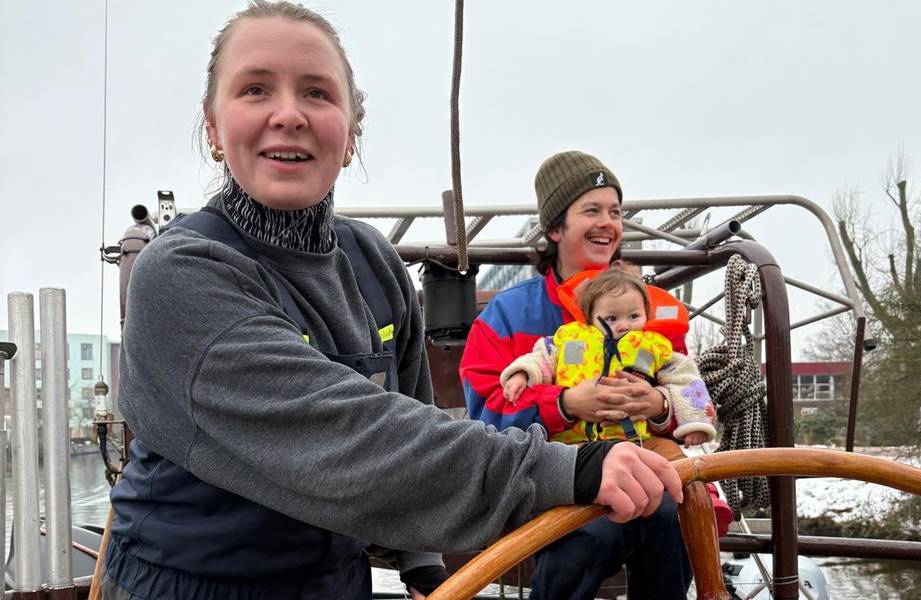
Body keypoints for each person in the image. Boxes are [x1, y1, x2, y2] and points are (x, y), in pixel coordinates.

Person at [101, 3, 684, 600]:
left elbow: (412, 418)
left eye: (318, 94)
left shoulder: (372, 260)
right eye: (254, 89)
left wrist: (423, 568)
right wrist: (571, 463)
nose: (288, 115)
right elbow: (347, 435)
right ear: (213, 128)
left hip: (336, 580)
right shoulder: (180, 273)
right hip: (192, 585)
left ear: (351, 133)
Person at [461, 150, 725, 599]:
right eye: (592, 210)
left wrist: (660, 408)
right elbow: (487, 415)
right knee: (590, 534)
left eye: (616, 212)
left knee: (670, 510)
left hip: (644, 461)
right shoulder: (507, 314)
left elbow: (688, 392)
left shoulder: (648, 315)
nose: (608, 222)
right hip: (553, 475)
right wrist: (565, 404)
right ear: (554, 228)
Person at [500, 263, 718, 448]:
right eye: (611, 319)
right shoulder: (569, 339)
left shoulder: (654, 346)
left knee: (677, 467)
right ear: (591, 317)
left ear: (646, 313)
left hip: (637, 445)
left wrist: (695, 422)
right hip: (573, 447)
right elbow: (540, 358)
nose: (623, 325)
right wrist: (521, 374)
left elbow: (685, 379)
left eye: (634, 316)